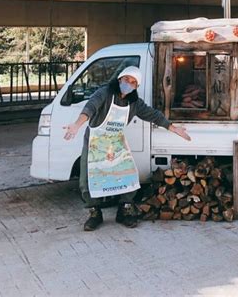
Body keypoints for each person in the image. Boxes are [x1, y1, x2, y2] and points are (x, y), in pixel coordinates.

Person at [63, 66, 191, 231]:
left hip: (115, 142)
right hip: (95, 142)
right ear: (119, 79)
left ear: (136, 87)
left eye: (133, 82)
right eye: (126, 80)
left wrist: (173, 128)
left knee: (128, 175)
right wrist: (76, 125)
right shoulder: (104, 93)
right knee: (87, 179)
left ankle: (124, 210)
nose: (128, 84)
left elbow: (154, 115)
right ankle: (95, 213)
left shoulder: (134, 103)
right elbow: (90, 108)